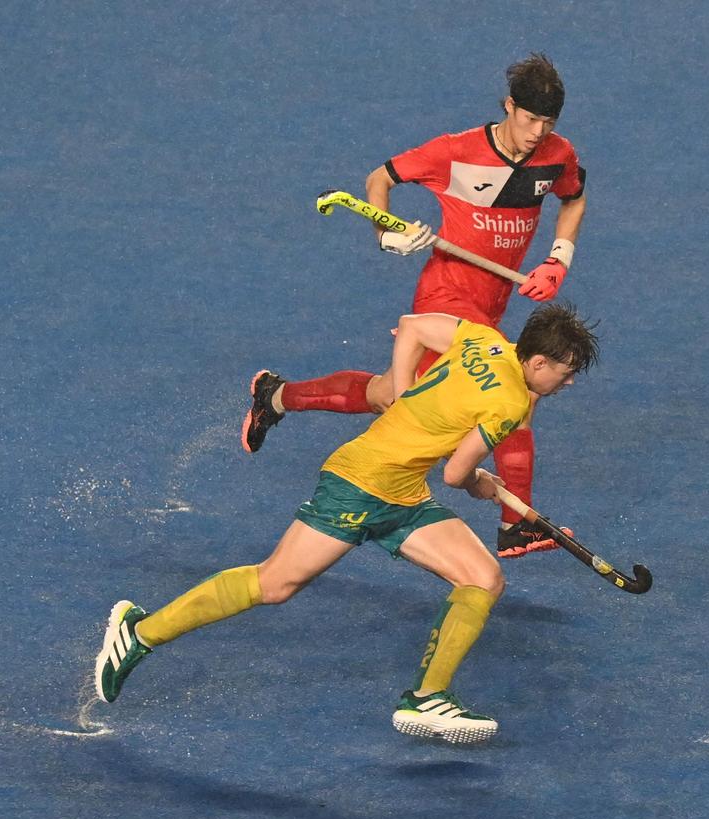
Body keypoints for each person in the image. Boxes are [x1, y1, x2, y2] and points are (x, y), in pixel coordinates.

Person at [96, 304, 599, 744]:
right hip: (359, 485)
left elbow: (412, 327)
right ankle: (137, 634)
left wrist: (402, 396)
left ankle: (428, 696)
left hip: (401, 490)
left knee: (483, 577)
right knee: (273, 584)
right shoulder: (511, 403)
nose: (569, 381)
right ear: (538, 362)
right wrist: (480, 485)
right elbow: (455, 473)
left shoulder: (484, 339)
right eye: (567, 370)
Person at [241, 53, 587, 559]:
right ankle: (518, 525)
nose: (537, 132)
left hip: (493, 303)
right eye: (529, 118)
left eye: (548, 122)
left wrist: (558, 259)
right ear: (509, 107)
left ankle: (277, 396)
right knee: (515, 400)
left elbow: (573, 197)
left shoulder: (557, 154)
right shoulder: (455, 151)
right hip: (445, 298)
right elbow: (378, 179)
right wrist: (385, 232)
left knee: (386, 394)